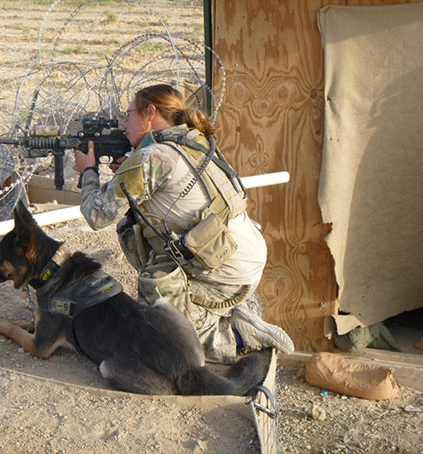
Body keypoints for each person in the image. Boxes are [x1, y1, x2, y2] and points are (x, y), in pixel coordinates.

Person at [73, 84, 293, 364]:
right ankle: (233, 309)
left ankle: (234, 336)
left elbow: (97, 215)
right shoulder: (193, 140)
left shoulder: (152, 158)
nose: (124, 124)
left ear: (150, 113)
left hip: (221, 273)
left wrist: (88, 172)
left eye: (128, 114)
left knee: (156, 336)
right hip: (239, 257)